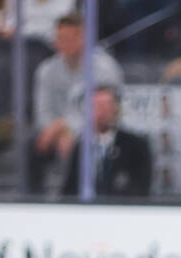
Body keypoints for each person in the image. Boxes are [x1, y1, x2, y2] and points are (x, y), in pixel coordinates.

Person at [30, 13, 124, 194]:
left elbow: (104, 112)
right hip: (55, 135)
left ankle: (86, 192)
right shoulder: (46, 70)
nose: (64, 43)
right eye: (60, 38)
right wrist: (55, 131)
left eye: (70, 37)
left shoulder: (104, 68)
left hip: (97, 131)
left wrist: (66, 128)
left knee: (78, 144)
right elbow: (43, 111)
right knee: (30, 146)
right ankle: (33, 197)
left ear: (84, 38)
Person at [61, 85, 152, 198]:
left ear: (116, 109)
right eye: (97, 106)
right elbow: (69, 190)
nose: (102, 112)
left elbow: (140, 191)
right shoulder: (80, 147)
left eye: (107, 106)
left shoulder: (136, 146)